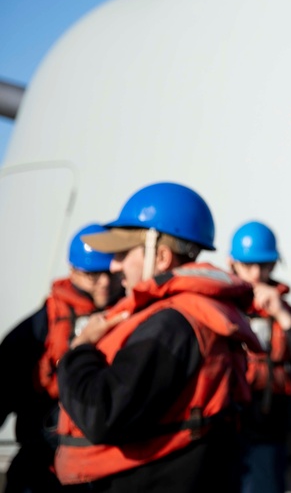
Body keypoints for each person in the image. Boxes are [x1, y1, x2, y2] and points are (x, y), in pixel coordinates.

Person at [53, 181, 261, 492]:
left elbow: (101, 414)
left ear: (161, 258)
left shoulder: (170, 325)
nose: (114, 265)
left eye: (123, 253)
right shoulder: (193, 314)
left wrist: (80, 349)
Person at [0, 224, 122, 493]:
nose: (103, 282)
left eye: (109, 273)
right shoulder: (35, 331)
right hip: (42, 465)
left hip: (108, 465)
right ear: (73, 272)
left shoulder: (133, 318)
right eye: (93, 275)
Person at [227, 220, 291, 493]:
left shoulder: (289, 315)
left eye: (265, 265)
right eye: (248, 266)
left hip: (268, 433)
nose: (256, 274)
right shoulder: (220, 309)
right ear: (232, 264)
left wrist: (283, 315)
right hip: (226, 432)